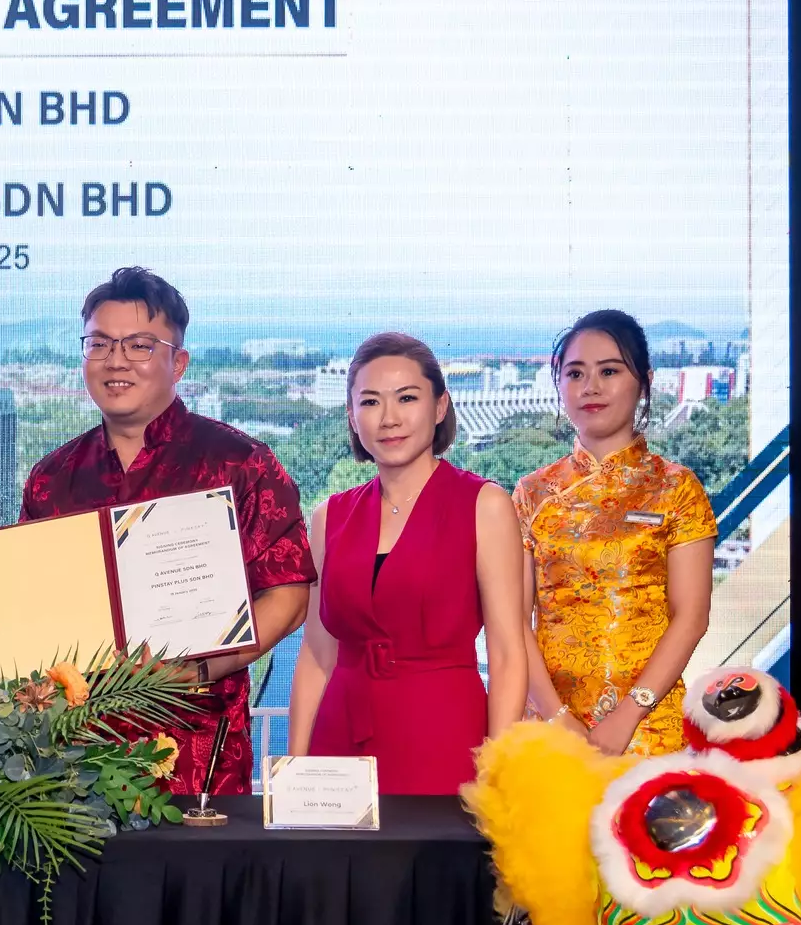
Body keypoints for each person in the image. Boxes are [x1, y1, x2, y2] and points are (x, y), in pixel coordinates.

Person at [19, 267, 313, 795]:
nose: (115, 361)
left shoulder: (239, 463)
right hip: (72, 761)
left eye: (139, 345)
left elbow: (288, 597)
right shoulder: (51, 478)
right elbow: (33, 609)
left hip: (197, 750)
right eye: (99, 344)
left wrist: (199, 670)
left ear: (178, 362)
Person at [288, 333, 528, 795]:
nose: (389, 418)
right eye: (370, 402)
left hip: (443, 736)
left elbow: (506, 655)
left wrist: (496, 779)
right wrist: (295, 771)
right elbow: (317, 655)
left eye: (407, 398)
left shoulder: (485, 505)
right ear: (352, 417)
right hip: (339, 743)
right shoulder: (329, 517)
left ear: (440, 407)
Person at [515, 310, 716, 755]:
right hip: (550, 730)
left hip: (648, 726)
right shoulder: (533, 492)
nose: (591, 387)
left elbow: (692, 616)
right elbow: (514, 621)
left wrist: (628, 715)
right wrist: (557, 717)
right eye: (575, 373)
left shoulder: (675, 488)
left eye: (609, 371)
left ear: (644, 382)